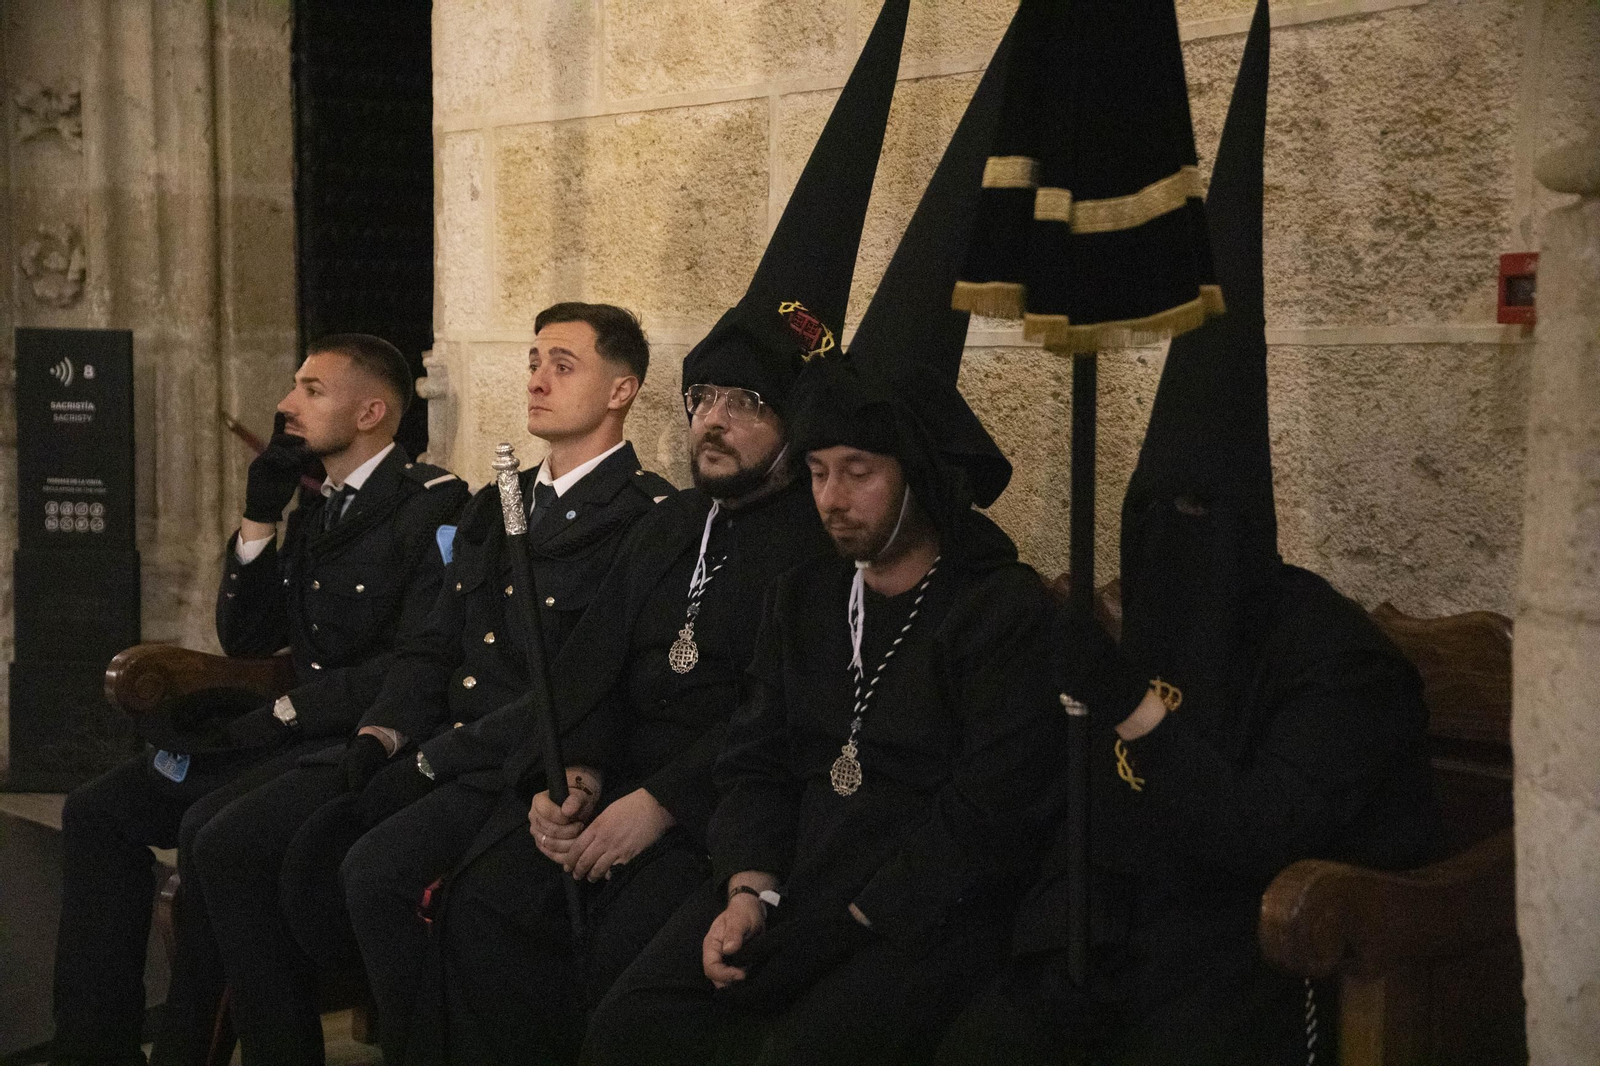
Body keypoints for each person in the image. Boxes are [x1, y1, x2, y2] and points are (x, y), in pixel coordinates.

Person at [351, 8, 915, 1063]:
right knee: (483, 900)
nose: (712, 420)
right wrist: (564, 780)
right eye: (703, 397)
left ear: (792, 426)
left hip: (712, 809)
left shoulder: (816, 544)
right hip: (611, 784)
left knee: (616, 945)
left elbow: (778, 717)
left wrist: (656, 803)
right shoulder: (674, 531)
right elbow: (583, 668)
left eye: (744, 403)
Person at [937, 4, 1440, 1062]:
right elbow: (1078, 827)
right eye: (1147, 518)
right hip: (1128, 942)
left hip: (1262, 959)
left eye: (1198, 521)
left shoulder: (1335, 662)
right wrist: (1052, 951)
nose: (1168, 545)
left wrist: (1126, 704)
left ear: (1251, 529)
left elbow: (1260, 835)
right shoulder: (1147, 617)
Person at [584, 17, 1068, 1062]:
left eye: (858, 471)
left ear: (921, 479)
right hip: (788, 882)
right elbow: (758, 761)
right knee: (632, 1025)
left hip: (919, 915)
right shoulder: (811, 595)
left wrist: (832, 926)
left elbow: (983, 823)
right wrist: (750, 891)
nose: (831, 498)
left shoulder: (995, 609)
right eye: (815, 470)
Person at [149, 303, 670, 1066]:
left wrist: (437, 759)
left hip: (519, 760)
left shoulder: (645, 513)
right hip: (440, 742)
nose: (537, 379)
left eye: (564, 365)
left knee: (373, 875)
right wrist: (382, 734)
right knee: (294, 856)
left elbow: (585, 683)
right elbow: (434, 644)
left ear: (622, 391)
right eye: (532, 361)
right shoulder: (500, 501)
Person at [48, 334, 468, 1066]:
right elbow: (246, 637)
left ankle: (192, 1052)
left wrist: (290, 714)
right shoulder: (321, 509)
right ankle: (96, 1048)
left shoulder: (430, 506)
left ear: (371, 411)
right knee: (97, 811)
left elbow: (416, 660)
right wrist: (258, 518)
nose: (284, 405)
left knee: (217, 837)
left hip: (344, 741)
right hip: (283, 731)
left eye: (310, 389)